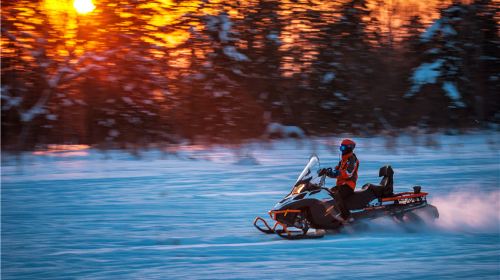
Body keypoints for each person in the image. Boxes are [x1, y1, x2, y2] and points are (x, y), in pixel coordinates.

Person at [318, 138, 359, 221]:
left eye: (343, 148)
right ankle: (328, 217)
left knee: (337, 195)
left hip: (348, 185)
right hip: (341, 185)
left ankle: (347, 217)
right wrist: (326, 172)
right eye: (341, 147)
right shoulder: (343, 160)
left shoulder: (352, 160)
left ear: (349, 148)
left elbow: (348, 173)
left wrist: (337, 172)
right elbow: (336, 171)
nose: (341, 150)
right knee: (327, 194)